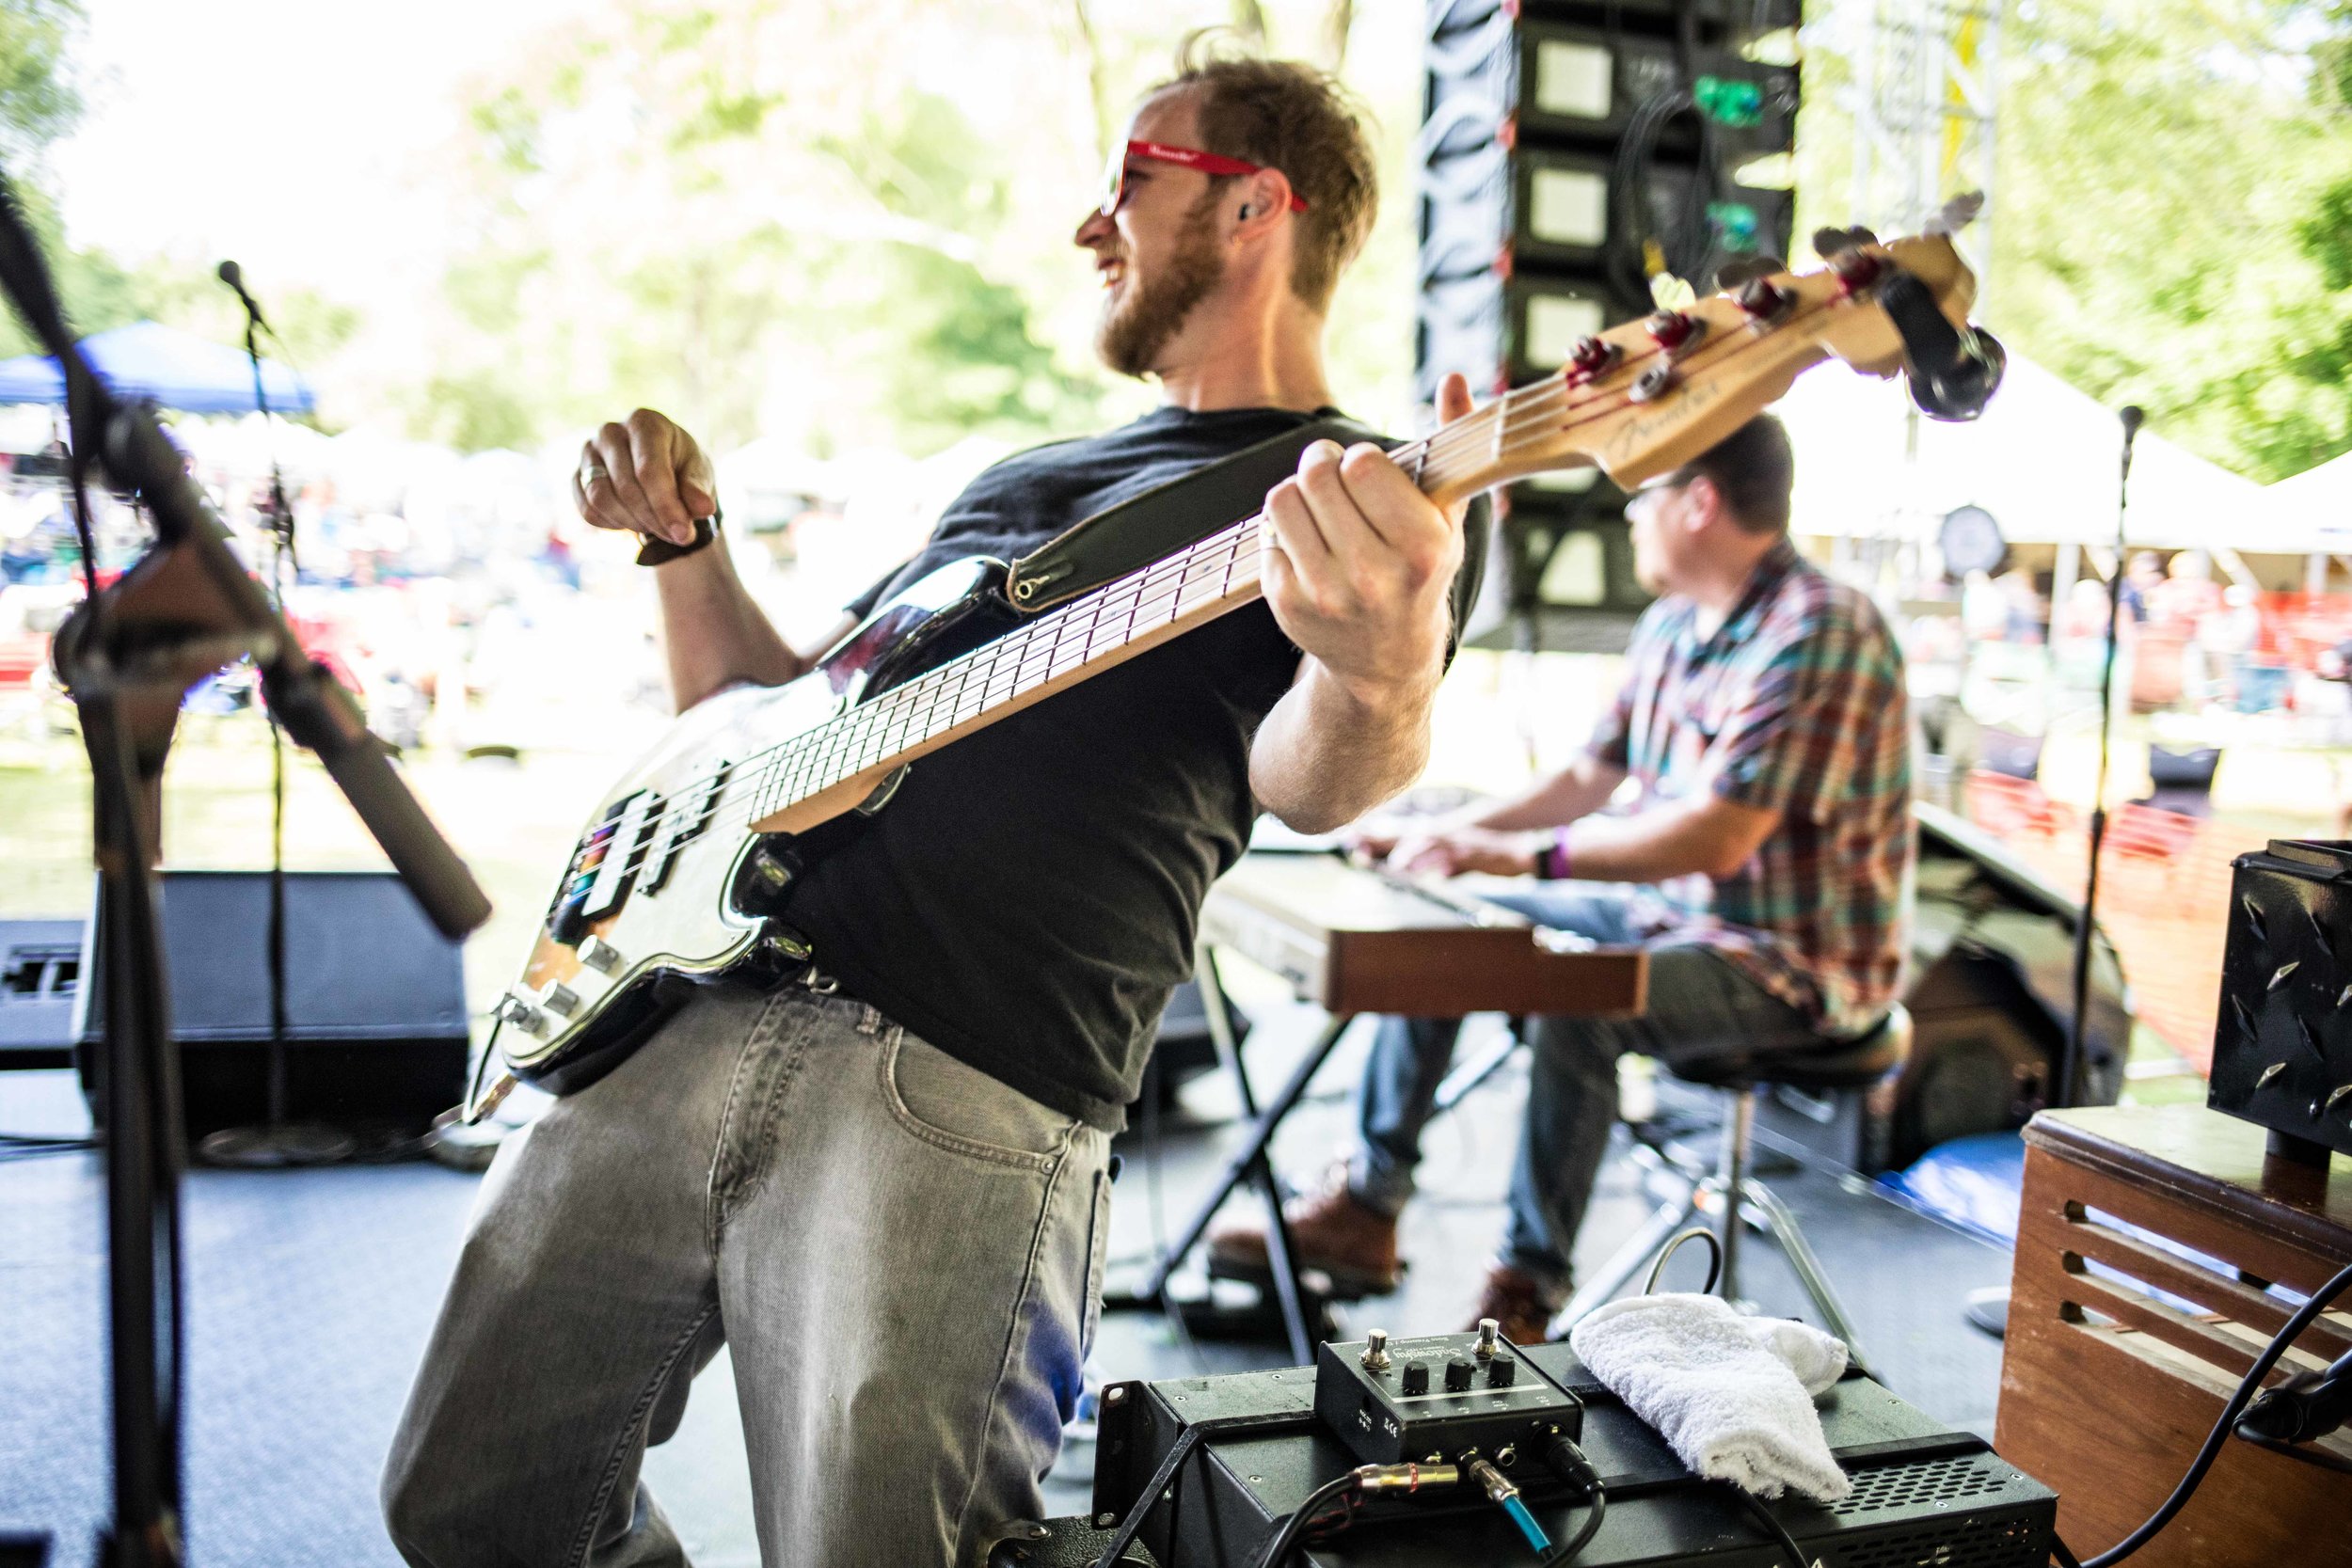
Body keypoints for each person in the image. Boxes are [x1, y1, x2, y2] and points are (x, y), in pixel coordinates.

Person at [381, 48, 1479, 1568]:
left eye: (1132, 183)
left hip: (969, 1067)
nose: (1091, 224)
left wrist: (1379, 674)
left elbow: (1305, 778)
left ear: (1253, 212)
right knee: (469, 1503)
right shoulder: (1023, 478)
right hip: (681, 1004)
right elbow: (773, 717)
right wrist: (682, 541)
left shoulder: (1356, 500)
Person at [1210, 415, 1914, 1345]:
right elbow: (1587, 778)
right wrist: (1451, 836)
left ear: (1699, 501)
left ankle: (1526, 1289)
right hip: (1664, 914)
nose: (1626, 514)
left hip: (1791, 962)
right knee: (1450, 930)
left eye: (1644, 491)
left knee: (1581, 997)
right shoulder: (1670, 622)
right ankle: (1367, 1210)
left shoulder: (1823, 629)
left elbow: (1717, 833)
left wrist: (1528, 856)